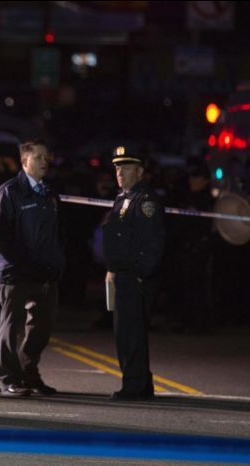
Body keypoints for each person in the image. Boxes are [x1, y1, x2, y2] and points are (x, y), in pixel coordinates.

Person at [0, 140, 65, 397]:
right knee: (11, 326)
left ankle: (28, 372)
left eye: (47, 156)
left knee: (42, 327)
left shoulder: (49, 194)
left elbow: (55, 234)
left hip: (44, 273)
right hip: (15, 273)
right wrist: (22, 263)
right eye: (39, 156)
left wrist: (55, 264)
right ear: (24, 161)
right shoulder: (9, 192)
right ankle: (9, 378)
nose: (45, 161)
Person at [102, 146, 165, 401]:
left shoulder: (144, 200)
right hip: (123, 274)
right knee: (125, 332)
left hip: (135, 277)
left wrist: (141, 272)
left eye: (126, 168)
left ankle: (135, 385)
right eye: (118, 168)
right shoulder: (124, 197)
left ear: (139, 171)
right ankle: (139, 382)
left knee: (131, 333)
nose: (120, 173)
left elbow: (154, 241)